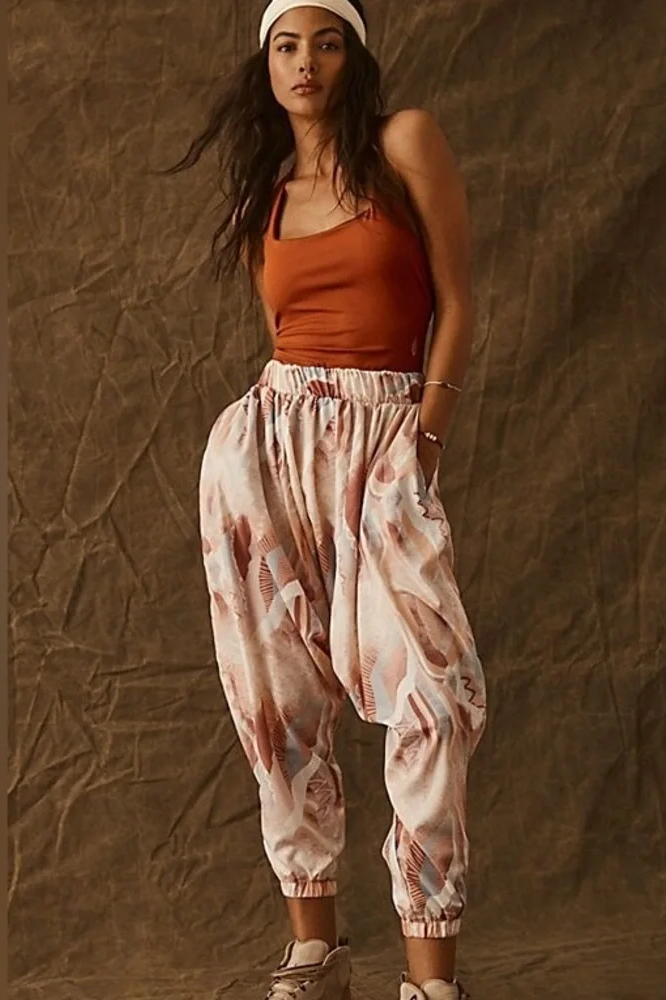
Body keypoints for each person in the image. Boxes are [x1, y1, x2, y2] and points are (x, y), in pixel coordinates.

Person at [167, 3, 487, 997]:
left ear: (355, 55)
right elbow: (289, 336)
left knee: (435, 694)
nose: (305, 62)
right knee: (275, 701)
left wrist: (424, 438)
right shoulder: (263, 192)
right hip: (266, 451)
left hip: (385, 437)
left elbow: (457, 301)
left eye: (327, 41)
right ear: (265, 66)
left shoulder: (403, 144)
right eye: (286, 46)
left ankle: (430, 978)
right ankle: (317, 948)